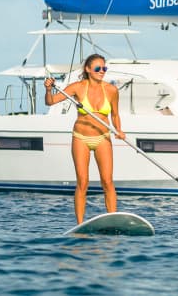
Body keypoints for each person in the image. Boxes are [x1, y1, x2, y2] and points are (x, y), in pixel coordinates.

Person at [43, 54, 125, 224]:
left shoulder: (111, 90)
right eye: (97, 68)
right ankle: (80, 223)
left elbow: (115, 115)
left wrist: (119, 130)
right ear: (88, 70)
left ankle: (113, 219)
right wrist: (48, 89)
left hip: (103, 137)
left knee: (107, 181)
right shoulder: (77, 87)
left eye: (104, 68)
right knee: (82, 181)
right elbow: (50, 102)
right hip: (81, 138)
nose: (101, 71)